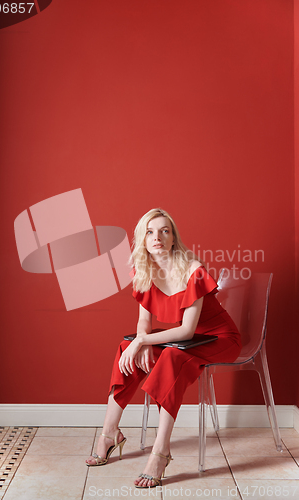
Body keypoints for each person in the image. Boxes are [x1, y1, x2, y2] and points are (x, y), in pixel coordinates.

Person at [85, 208, 242, 488]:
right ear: (142, 239)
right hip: (185, 341)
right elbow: (144, 322)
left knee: (171, 356)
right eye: (150, 231)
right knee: (126, 347)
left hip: (219, 339)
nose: (157, 237)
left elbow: (187, 330)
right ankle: (109, 433)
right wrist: (139, 342)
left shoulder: (193, 269)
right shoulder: (144, 271)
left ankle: (161, 451)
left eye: (164, 231)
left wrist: (144, 341)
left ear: (173, 238)